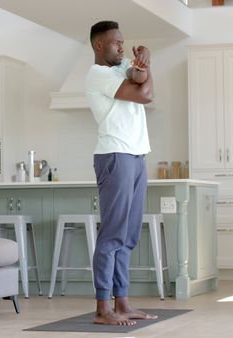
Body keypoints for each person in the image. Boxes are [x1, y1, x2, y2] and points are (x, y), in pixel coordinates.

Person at [85, 20, 156, 326]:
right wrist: (147, 65)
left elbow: (140, 78)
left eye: (123, 43)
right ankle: (103, 308)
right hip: (115, 155)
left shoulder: (121, 66)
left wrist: (143, 62)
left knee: (128, 236)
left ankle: (122, 303)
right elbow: (146, 94)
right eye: (116, 43)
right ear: (99, 45)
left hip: (137, 155)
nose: (122, 48)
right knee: (112, 233)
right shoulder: (98, 74)